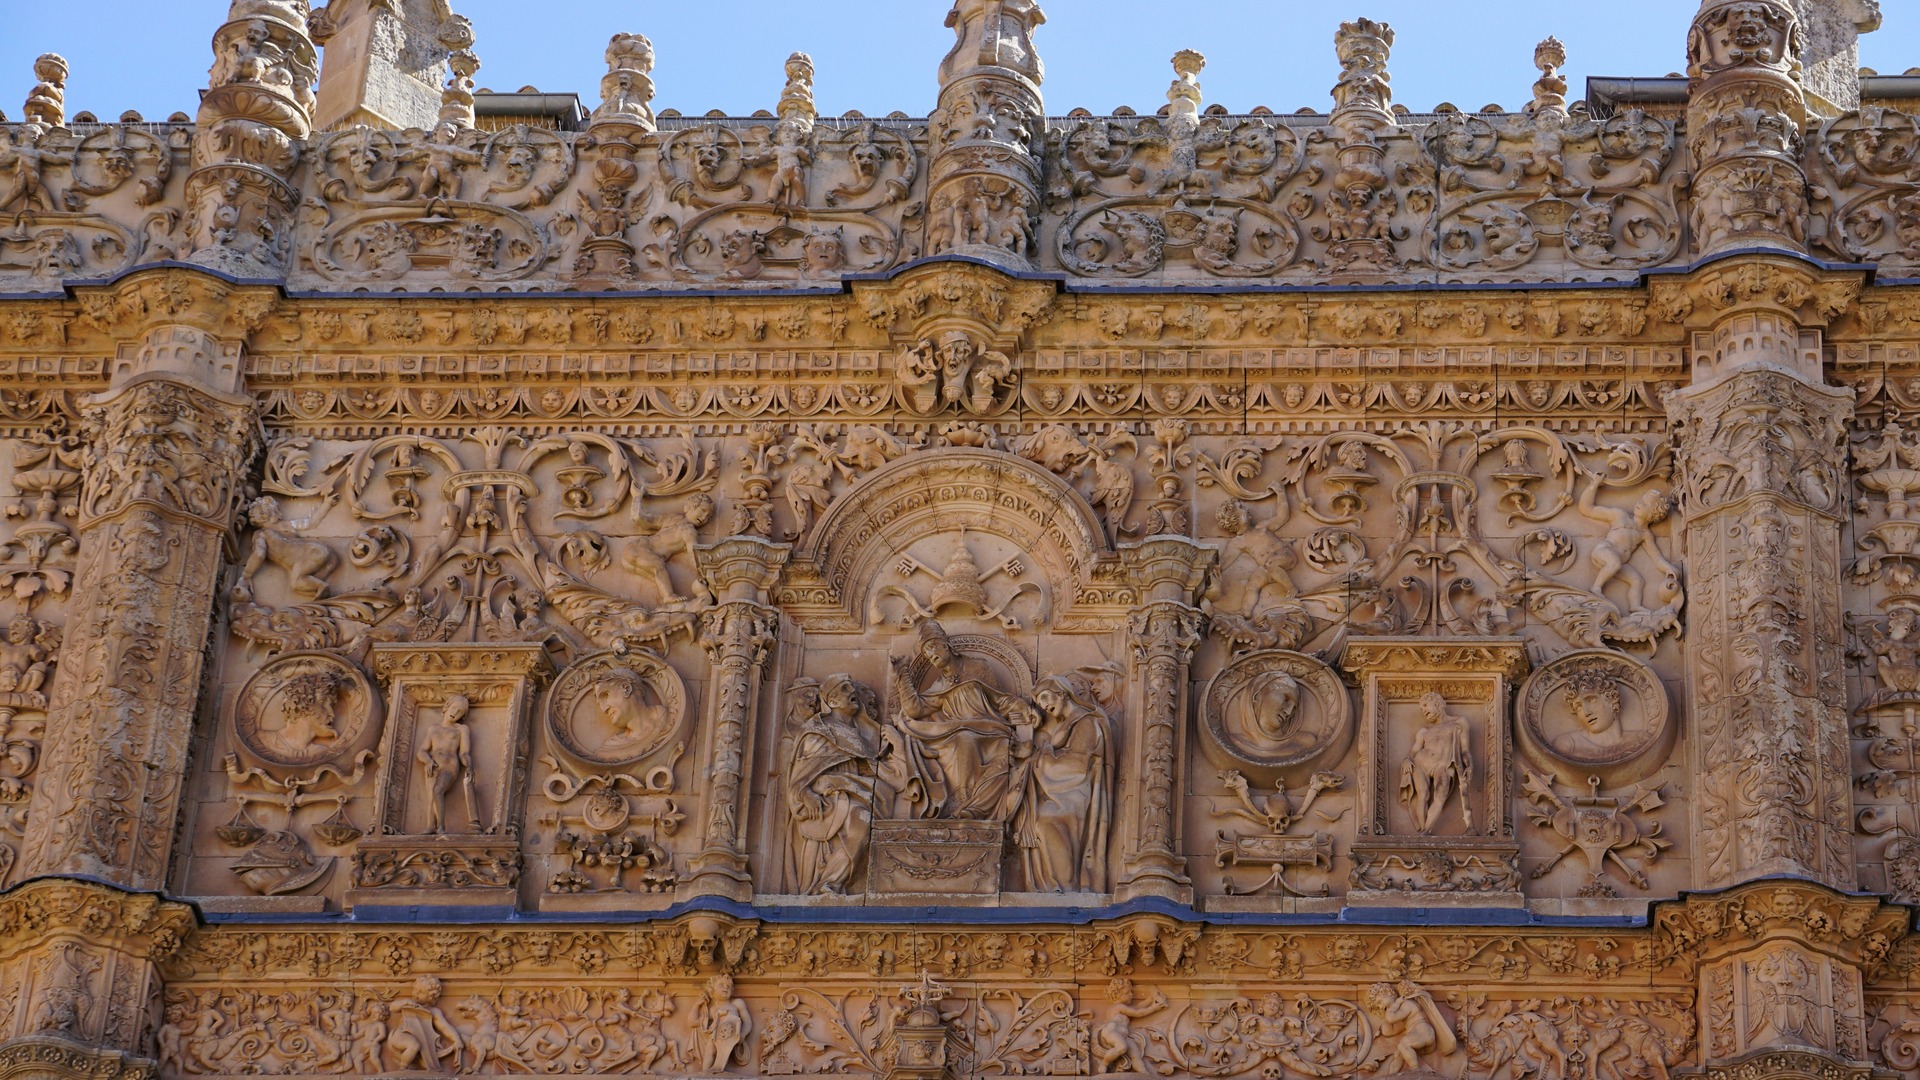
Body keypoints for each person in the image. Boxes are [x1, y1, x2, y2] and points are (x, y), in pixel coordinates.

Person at [889, 619, 1020, 819]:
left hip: (990, 730)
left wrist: (1025, 708)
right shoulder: (940, 684)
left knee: (988, 750)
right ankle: (963, 807)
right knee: (962, 739)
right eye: (926, 653)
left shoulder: (978, 668)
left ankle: (969, 805)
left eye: (932, 647)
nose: (931, 655)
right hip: (958, 733)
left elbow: (1001, 700)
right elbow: (915, 709)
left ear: (945, 644)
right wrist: (903, 676)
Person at [1011, 672, 1112, 891]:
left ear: (1062, 693)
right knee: (1037, 820)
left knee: (1046, 822)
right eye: (1039, 702)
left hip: (1075, 794)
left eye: (1046, 697)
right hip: (1061, 793)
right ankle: (1056, 886)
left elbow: (1077, 766)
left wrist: (1041, 756)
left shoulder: (1086, 722)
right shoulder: (1066, 726)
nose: (1044, 705)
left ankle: (1065, 887)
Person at [1400, 691, 1473, 834]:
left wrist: (1470, 764)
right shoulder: (1424, 730)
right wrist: (1406, 759)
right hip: (1421, 763)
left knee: (1440, 795)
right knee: (1423, 795)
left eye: (1426, 705)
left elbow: (1465, 749)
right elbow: (1414, 750)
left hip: (1443, 764)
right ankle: (1423, 831)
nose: (1424, 711)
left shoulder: (1459, 722)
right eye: (1422, 709)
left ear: (1438, 703)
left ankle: (1427, 830)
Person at [417, 694, 479, 834]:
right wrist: (427, 761)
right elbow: (421, 751)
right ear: (447, 706)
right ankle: (431, 826)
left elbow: (464, 752)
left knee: (437, 790)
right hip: (433, 765)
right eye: (454, 708)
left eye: (460, 712)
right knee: (430, 795)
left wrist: (469, 766)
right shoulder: (433, 729)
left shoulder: (461, 729)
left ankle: (441, 827)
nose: (455, 713)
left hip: (450, 765)